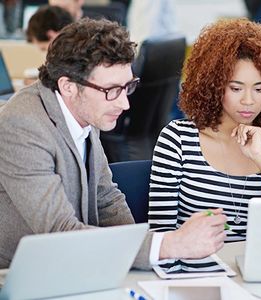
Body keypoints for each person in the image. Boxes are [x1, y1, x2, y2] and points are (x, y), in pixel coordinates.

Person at [0, 19, 226, 270]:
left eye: (127, 87)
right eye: (111, 90)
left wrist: (139, 253)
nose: (124, 104)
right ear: (68, 87)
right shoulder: (22, 127)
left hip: (76, 265)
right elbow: (60, 232)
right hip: (20, 274)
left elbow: (106, 198)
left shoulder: (85, 108)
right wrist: (167, 245)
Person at [149, 18, 261, 242]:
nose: (248, 101)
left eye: (259, 89)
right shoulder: (178, 139)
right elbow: (160, 234)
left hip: (252, 269)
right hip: (192, 268)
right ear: (214, 86)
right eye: (236, 88)